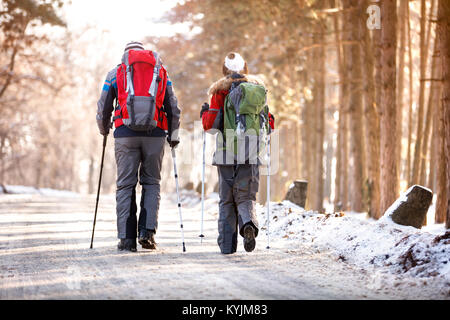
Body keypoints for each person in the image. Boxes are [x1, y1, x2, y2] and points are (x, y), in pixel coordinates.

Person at [96, 41, 181, 252]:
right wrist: (174, 135)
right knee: (151, 183)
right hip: (156, 134)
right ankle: (147, 233)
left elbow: (104, 106)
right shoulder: (160, 72)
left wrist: (104, 128)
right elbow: (173, 107)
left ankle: (126, 239)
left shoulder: (116, 73)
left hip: (125, 134)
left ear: (125, 55)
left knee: (126, 185)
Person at [201, 52, 275, 254]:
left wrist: (205, 113)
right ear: (245, 68)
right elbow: (269, 125)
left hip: (226, 152)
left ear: (224, 69)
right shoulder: (257, 91)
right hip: (250, 151)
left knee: (226, 198)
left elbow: (211, 126)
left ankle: (227, 245)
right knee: (246, 195)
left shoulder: (218, 91)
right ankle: (248, 225)